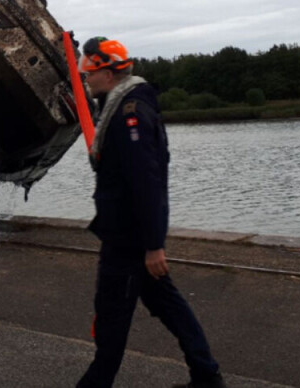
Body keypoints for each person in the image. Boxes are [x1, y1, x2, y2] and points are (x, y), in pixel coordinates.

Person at [75, 37, 225, 388]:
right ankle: (206, 375)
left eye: (89, 74)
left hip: (127, 241)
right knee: (172, 309)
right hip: (130, 235)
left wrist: (154, 244)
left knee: (112, 322)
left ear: (109, 74)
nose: (86, 80)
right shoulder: (122, 105)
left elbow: (147, 181)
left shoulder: (130, 115)